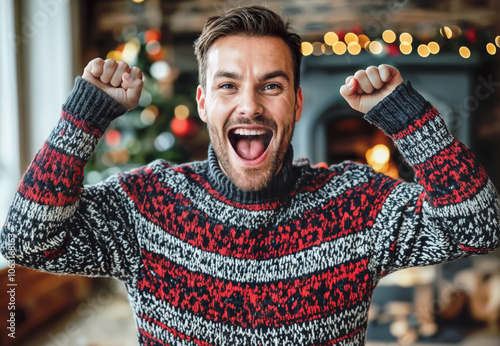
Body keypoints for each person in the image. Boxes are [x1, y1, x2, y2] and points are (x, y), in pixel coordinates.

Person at [1, 5, 499, 345]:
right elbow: (25, 241)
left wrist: (406, 118)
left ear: (299, 103)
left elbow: (480, 227)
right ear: (202, 102)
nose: (250, 106)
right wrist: (83, 117)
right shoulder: (146, 203)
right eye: (228, 85)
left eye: (272, 86)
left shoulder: (357, 205)